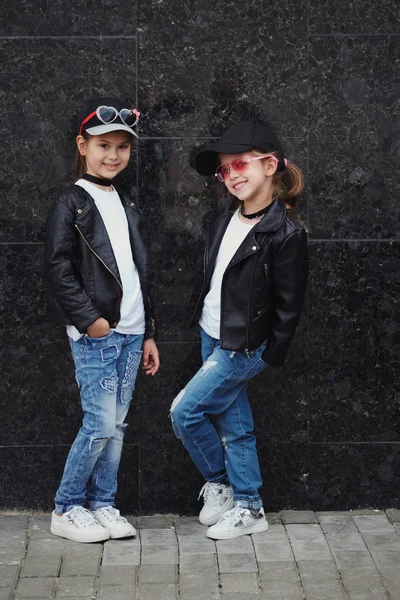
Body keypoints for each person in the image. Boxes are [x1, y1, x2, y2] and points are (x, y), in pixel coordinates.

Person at [170, 121, 308, 540]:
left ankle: (223, 483)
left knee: (184, 412)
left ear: (270, 165)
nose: (232, 176)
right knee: (235, 426)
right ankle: (247, 504)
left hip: (243, 347)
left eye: (240, 165)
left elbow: (290, 305)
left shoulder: (285, 233)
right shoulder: (222, 221)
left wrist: (269, 355)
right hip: (212, 334)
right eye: (224, 171)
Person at [44, 97, 159, 543]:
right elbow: (57, 267)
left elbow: (137, 272)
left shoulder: (124, 202)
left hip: (131, 334)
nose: (113, 155)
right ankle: (66, 506)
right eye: (103, 145)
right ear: (82, 145)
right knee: (99, 424)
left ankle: (103, 504)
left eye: (122, 148)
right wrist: (89, 319)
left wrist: (149, 332)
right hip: (98, 335)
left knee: (118, 424)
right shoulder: (72, 201)